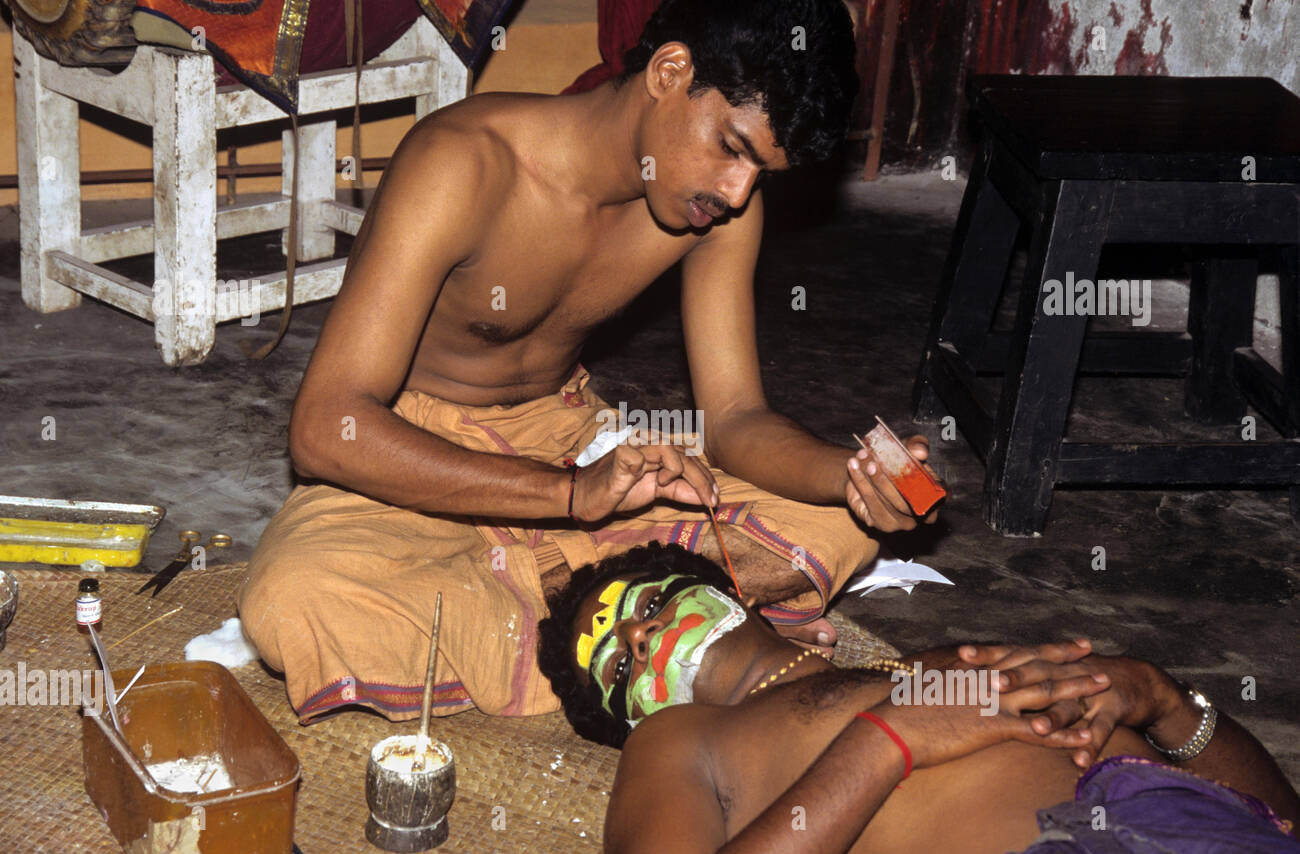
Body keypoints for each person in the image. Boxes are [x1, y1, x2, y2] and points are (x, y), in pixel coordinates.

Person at [239, 0, 943, 723]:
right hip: (411, 456)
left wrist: (852, 480)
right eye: (733, 148)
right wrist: (570, 498)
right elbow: (328, 428)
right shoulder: (464, 162)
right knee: (291, 601)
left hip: (570, 437)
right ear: (671, 72)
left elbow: (735, 418)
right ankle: (678, 633)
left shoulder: (718, 212)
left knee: (839, 525)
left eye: (761, 173)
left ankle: (574, 633)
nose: (737, 193)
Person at [536, 543, 1300, 854]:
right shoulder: (679, 739)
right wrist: (887, 741)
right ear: (630, 714)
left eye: (648, 603)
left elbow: (1279, 816)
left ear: (728, 592)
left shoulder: (927, 668)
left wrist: (1164, 701)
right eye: (611, 663)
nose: (637, 638)